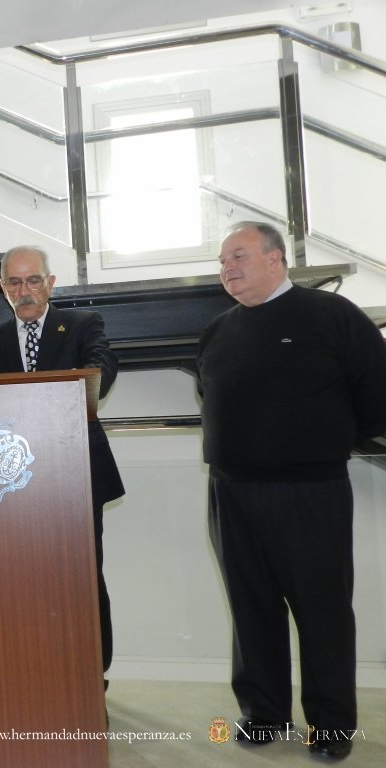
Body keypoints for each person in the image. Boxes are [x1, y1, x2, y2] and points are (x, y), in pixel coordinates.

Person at [197, 221, 386, 761]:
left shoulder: (331, 317)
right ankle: (263, 713)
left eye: (238, 256)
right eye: (222, 262)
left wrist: (321, 443)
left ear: (275, 259)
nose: (227, 268)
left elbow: (376, 394)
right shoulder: (217, 330)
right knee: (251, 607)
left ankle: (329, 726)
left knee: (322, 610)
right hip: (230, 493)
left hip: (310, 493)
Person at [0, 245, 125, 684]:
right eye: (14, 282)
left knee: (81, 578)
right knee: (24, 579)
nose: (25, 290)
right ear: (3, 289)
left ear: (50, 283)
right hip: (13, 484)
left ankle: (92, 675)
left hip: (76, 473)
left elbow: (102, 366)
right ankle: (34, 670)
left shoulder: (80, 324)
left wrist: (68, 389)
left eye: (33, 280)